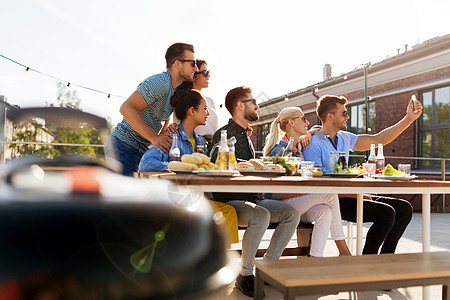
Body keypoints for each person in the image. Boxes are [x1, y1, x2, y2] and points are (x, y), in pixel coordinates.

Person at [209, 86, 301, 297]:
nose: (257, 105)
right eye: (253, 102)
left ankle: (268, 268)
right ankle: (246, 274)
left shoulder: (245, 134)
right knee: (261, 215)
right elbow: (218, 168)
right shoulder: (223, 135)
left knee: (291, 213)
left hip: (252, 198)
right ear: (240, 106)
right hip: (230, 202)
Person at [303, 94, 423, 254]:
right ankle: (367, 260)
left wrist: (409, 118)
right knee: (386, 213)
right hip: (334, 201)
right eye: (344, 113)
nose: (348, 116)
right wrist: (355, 194)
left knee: (404, 209)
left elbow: (379, 139)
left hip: (351, 195)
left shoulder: (344, 138)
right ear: (330, 116)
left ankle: (386, 257)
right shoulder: (312, 143)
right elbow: (318, 186)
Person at [138, 88, 239, 246]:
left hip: (198, 198)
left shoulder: (201, 142)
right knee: (223, 213)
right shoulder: (171, 137)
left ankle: (220, 256)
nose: (208, 113)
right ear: (192, 111)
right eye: (205, 108)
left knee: (228, 212)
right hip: (174, 199)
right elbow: (146, 163)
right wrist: (179, 167)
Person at [262, 107, 351, 257]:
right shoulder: (280, 151)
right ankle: (344, 252)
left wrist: (310, 131)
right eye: (303, 119)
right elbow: (271, 194)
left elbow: (318, 129)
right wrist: (308, 190)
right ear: (291, 123)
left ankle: (315, 259)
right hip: (279, 206)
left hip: (297, 205)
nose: (307, 122)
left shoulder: (299, 147)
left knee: (325, 211)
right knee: (329, 193)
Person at [105, 42, 198, 176]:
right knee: (126, 195)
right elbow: (126, 108)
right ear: (178, 64)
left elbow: (164, 118)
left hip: (139, 149)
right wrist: (154, 137)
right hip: (122, 145)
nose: (195, 68)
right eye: (192, 63)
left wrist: (165, 131)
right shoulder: (160, 83)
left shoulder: (174, 90)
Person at [172, 60, 218, 145]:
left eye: (208, 73)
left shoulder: (210, 101)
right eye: (205, 72)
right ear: (193, 75)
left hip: (211, 145)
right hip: (192, 144)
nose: (208, 76)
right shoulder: (182, 100)